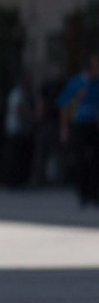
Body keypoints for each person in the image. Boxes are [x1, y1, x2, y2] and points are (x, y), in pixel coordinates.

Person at [57, 52, 99, 208]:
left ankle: (95, 194)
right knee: (81, 160)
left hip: (94, 125)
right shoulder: (76, 83)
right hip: (79, 125)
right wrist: (64, 128)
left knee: (95, 160)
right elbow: (64, 106)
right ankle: (83, 194)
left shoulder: (97, 83)